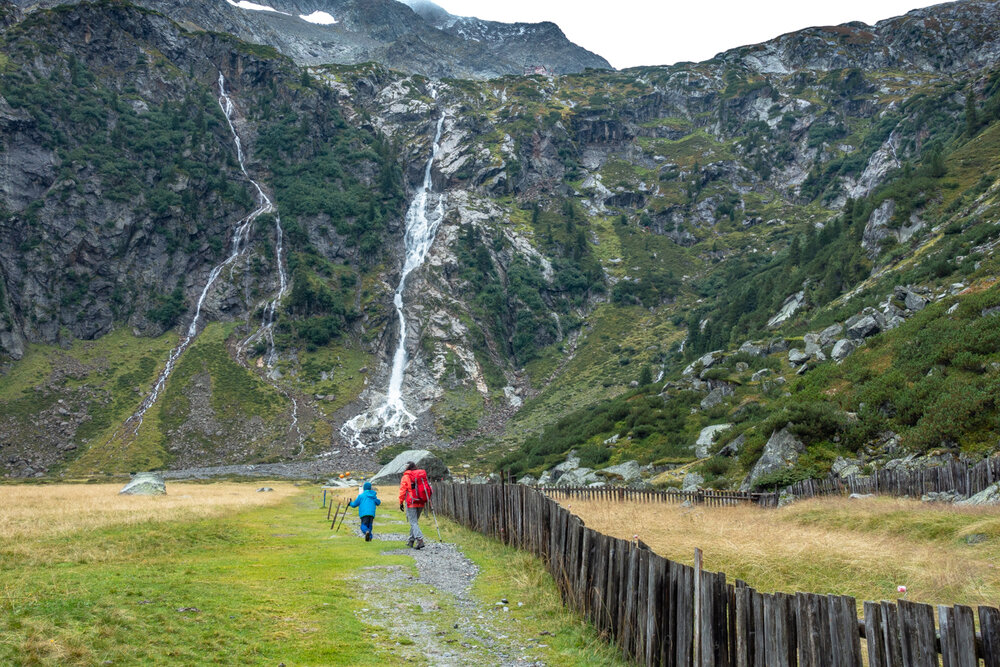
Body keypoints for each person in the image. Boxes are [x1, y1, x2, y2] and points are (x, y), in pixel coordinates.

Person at [399, 461, 432, 550]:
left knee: (413, 522)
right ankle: (411, 541)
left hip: (411, 501)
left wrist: (401, 502)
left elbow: (402, 490)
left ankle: (420, 540)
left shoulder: (406, 476)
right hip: (421, 501)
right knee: (414, 522)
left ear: (407, 467)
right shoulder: (420, 476)